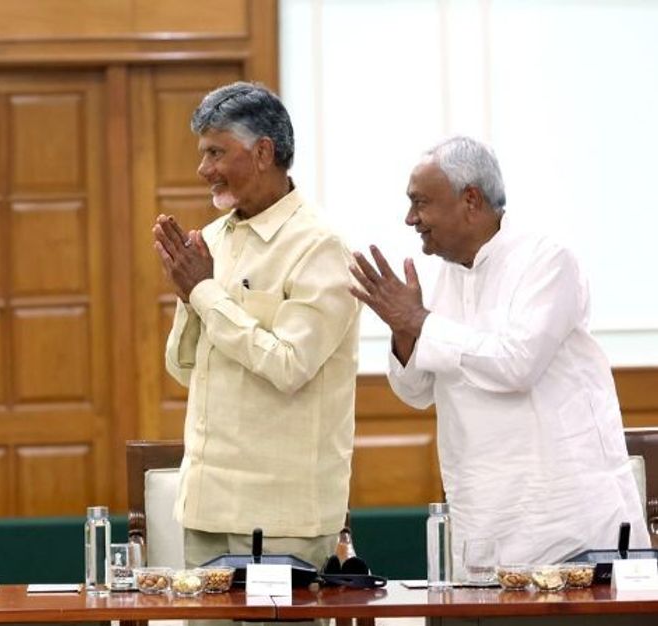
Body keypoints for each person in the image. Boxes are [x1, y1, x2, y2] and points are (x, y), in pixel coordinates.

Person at [349, 135, 648, 572]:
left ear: (470, 199)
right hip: (484, 523)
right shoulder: (439, 276)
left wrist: (420, 322)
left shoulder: (547, 260)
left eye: (421, 203)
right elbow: (416, 392)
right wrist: (403, 331)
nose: (410, 218)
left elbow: (515, 364)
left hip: (569, 525)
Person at [153, 82, 361, 576]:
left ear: (263, 152)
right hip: (205, 506)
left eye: (216, 152)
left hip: (281, 515)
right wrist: (189, 296)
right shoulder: (215, 238)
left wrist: (204, 293)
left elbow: (290, 366)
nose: (204, 169)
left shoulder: (320, 247)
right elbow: (186, 370)